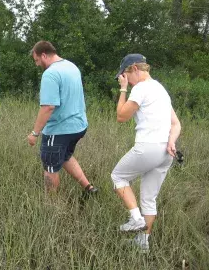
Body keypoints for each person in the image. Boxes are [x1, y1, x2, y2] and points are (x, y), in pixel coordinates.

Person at [112, 54, 181, 252]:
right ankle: (143, 243)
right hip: (166, 151)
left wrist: (123, 89)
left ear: (134, 68)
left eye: (125, 75)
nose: (126, 79)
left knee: (118, 177)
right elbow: (176, 124)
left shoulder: (141, 88)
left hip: (148, 146)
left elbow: (121, 116)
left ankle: (135, 219)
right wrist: (171, 142)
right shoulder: (161, 89)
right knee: (149, 198)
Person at [27, 41, 98, 198]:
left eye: (37, 60)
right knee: (65, 156)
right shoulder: (71, 66)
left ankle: (51, 206)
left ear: (44, 55)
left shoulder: (50, 73)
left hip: (59, 130)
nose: (37, 64)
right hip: (79, 126)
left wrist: (34, 133)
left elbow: (48, 107)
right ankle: (89, 188)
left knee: (50, 167)